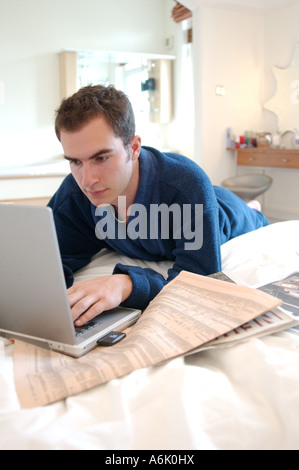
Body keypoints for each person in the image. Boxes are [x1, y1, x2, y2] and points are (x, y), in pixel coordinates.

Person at [49, 84, 269, 327]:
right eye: (76, 162)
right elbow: (53, 260)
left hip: (226, 212)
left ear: (133, 148)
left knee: (244, 213)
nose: (87, 180)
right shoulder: (75, 192)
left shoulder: (186, 184)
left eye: (101, 158)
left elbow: (198, 281)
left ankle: (253, 207)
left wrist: (127, 284)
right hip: (191, 206)